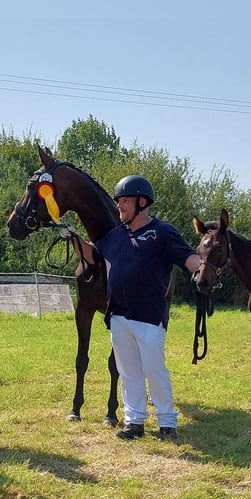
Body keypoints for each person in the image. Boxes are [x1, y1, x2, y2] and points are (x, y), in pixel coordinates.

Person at [63, 175, 201, 440]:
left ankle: (167, 423)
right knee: (128, 371)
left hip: (148, 316)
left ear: (141, 202)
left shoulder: (162, 231)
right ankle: (134, 421)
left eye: (124, 201)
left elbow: (189, 258)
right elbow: (92, 255)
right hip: (118, 316)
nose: (120, 207)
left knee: (153, 369)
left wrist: (203, 269)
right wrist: (72, 236)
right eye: (118, 203)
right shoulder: (116, 236)